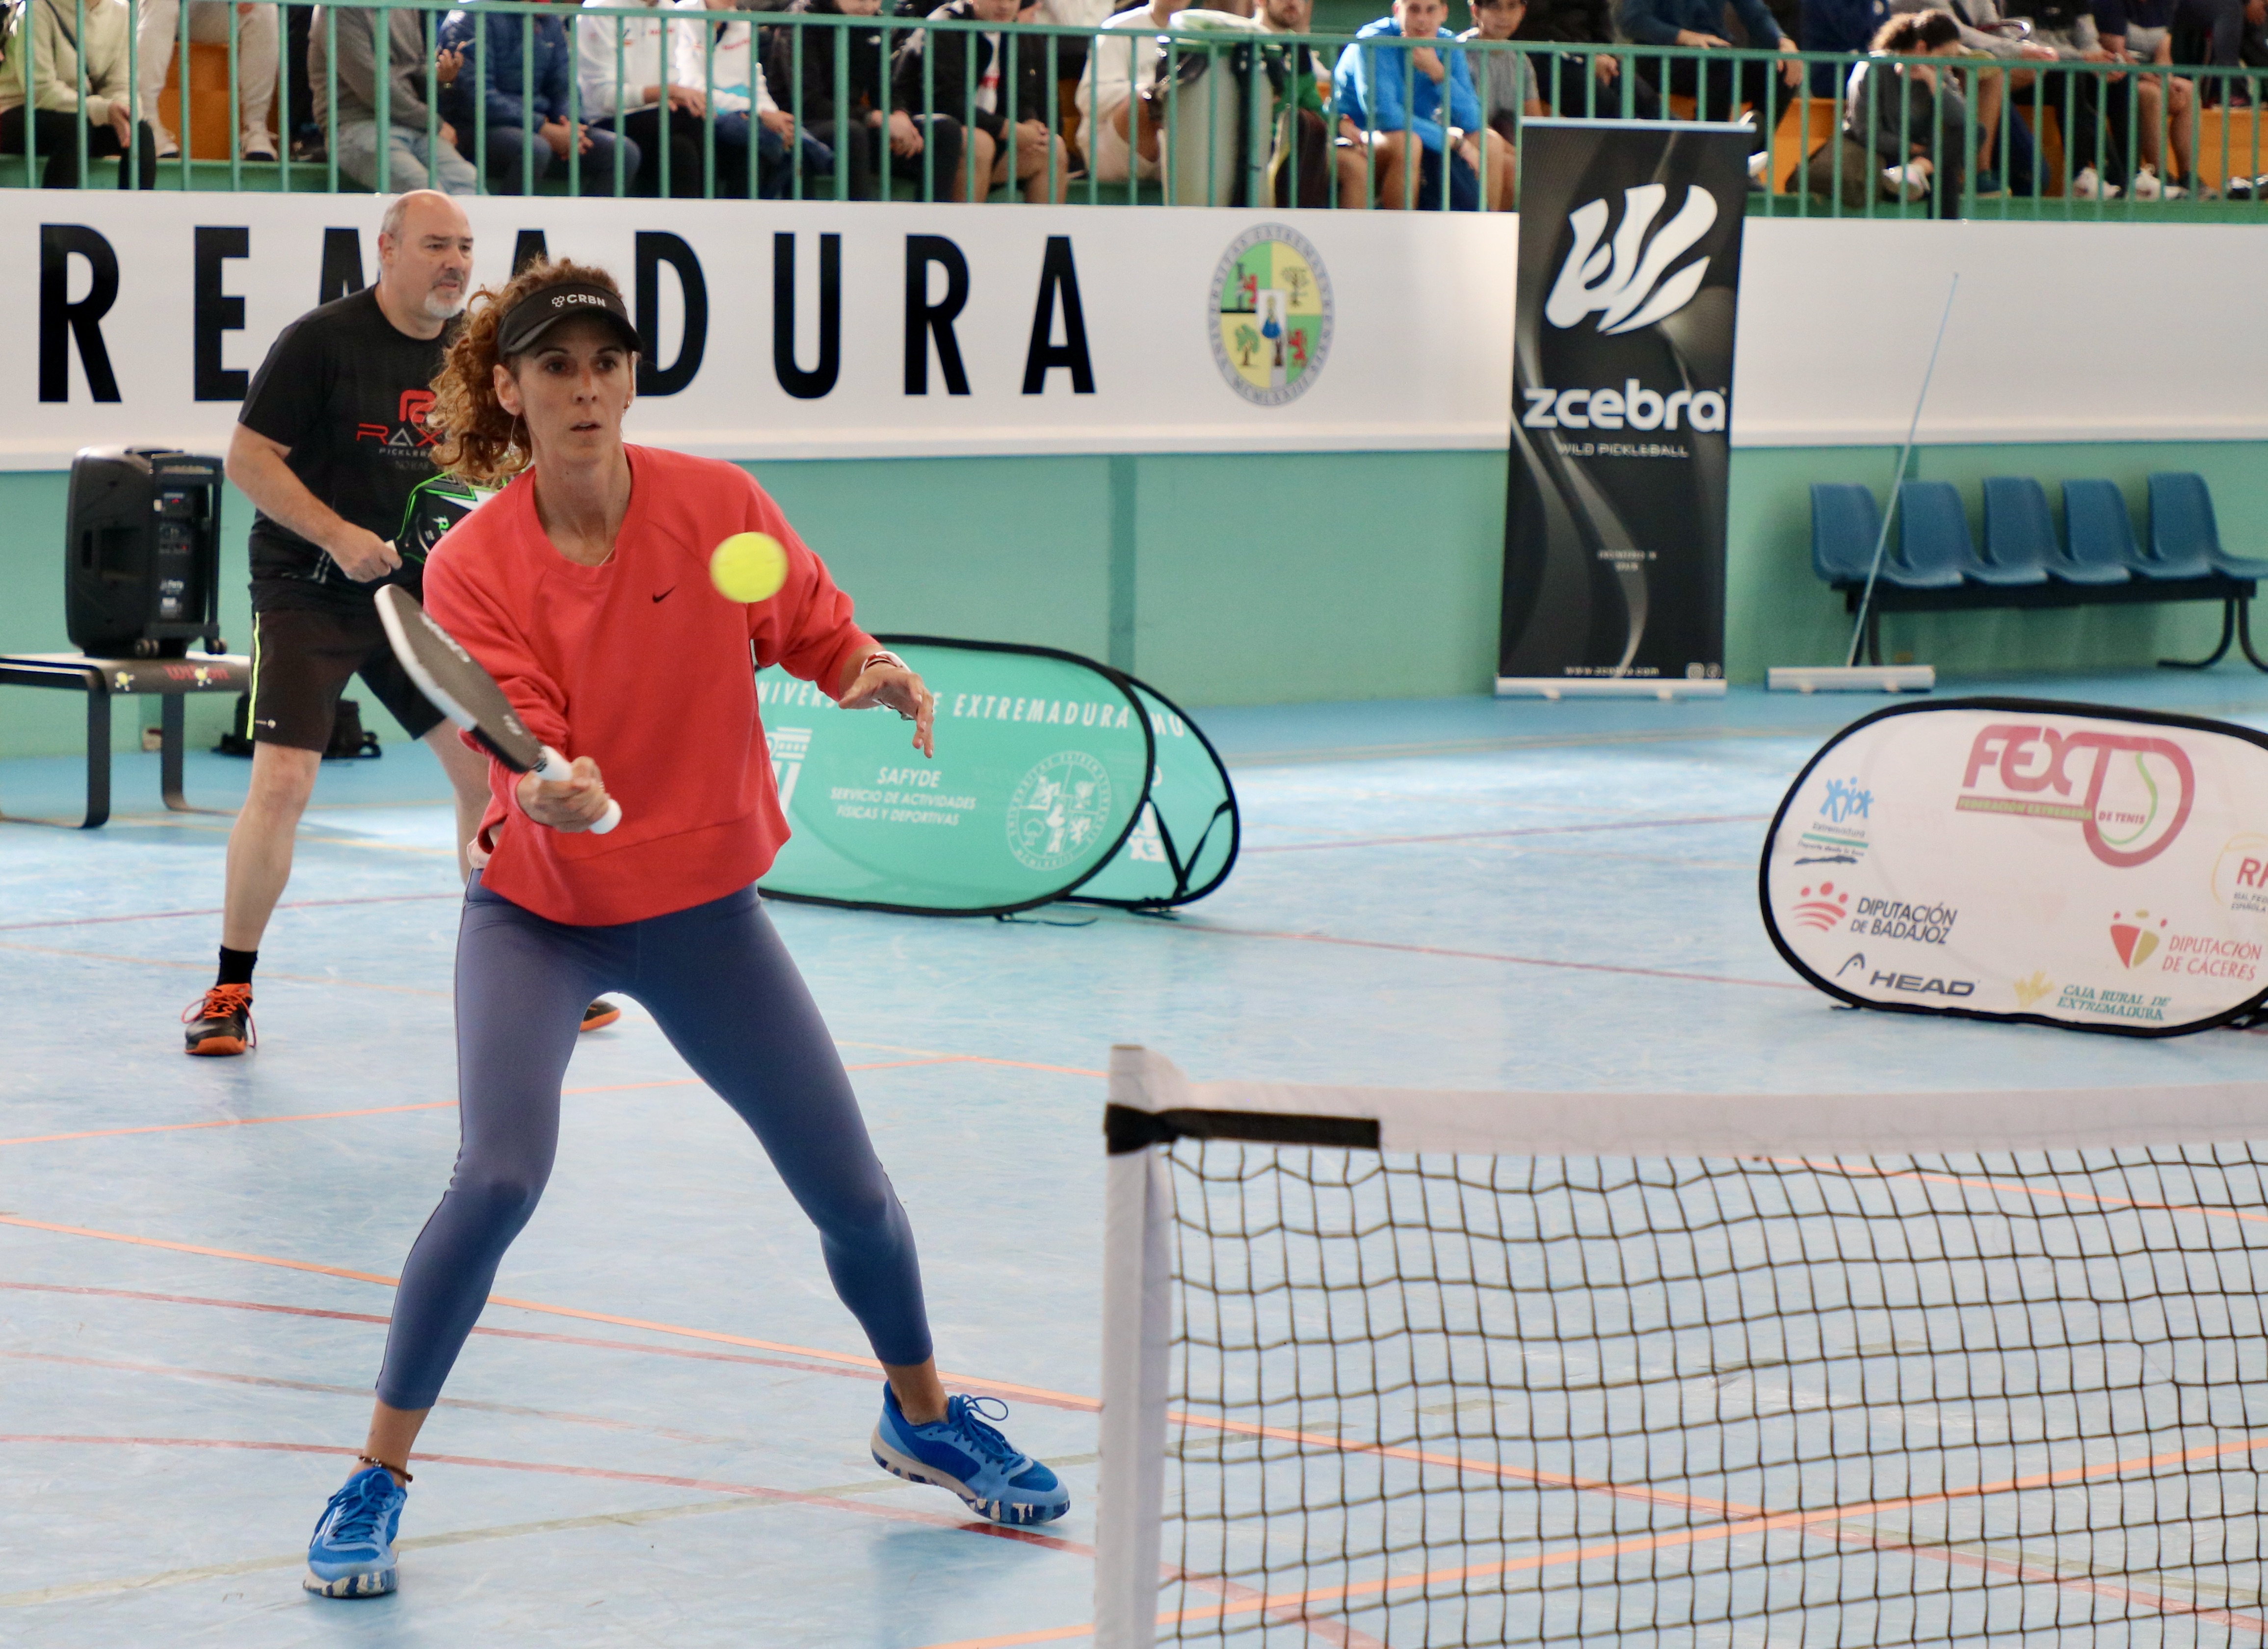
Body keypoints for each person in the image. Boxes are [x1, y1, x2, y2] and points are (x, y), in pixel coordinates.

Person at [298, 259, 1070, 1600]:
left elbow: (807, 621)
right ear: (509, 390)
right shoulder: (476, 563)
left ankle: (922, 1416)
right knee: (497, 1179)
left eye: (605, 361)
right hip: (543, 917)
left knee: (853, 1192)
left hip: (706, 914)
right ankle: (377, 1471)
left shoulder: (719, 507)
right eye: (555, 366)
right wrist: (550, 785)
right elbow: (521, 727)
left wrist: (867, 669)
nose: (585, 387)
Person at [181, 193, 623, 1058]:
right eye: (434, 245)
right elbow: (247, 460)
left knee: (487, 778)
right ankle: (230, 988)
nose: (455, 262)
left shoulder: (476, 356)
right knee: (284, 784)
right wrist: (338, 536)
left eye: (465, 247)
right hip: (309, 588)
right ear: (385, 250)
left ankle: (523, 972)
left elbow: (504, 463)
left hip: (421, 598)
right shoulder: (320, 342)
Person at [438, 0, 641, 195]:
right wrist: (541, 127)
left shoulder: (549, 21)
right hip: (478, 126)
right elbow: (477, 96)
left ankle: (588, 221)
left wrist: (569, 124)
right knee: (533, 149)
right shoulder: (469, 18)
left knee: (622, 153)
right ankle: (511, 220)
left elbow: (564, 87)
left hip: (541, 124)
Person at [891, 0, 1070, 201]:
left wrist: (1029, 122)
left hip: (988, 132)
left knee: (1052, 148)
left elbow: (1023, 95)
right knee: (978, 144)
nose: (1004, 6)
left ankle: (1042, 223)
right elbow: (948, 103)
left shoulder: (1016, 33)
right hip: (928, 137)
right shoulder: (945, 26)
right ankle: (965, 222)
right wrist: (1009, 130)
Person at [1802, 7, 1971, 209]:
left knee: (1971, 135)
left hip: (1921, 162)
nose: (1949, 66)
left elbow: (1965, 122)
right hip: (1879, 159)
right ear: (1921, 48)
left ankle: (1918, 172)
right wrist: (1915, 149)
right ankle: (1916, 172)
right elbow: (1866, 132)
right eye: (1946, 56)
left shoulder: (1939, 74)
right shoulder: (1873, 68)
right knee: (1942, 161)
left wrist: (1932, 81)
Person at [1333, 0, 1487, 208]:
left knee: (1488, 141)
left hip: (1419, 135)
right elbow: (1384, 116)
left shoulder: (1448, 43)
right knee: (1408, 143)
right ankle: (1400, 228)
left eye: (1431, 10)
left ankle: (1488, 226)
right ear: (1397, 10)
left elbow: (1473, 120)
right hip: (1355, 136)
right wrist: (1451, 141)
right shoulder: (1373, 40)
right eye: (1414, 9)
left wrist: (1437, 72)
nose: (1422, 19)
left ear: (1444, 13)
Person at [310, 6, 478, 193]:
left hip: (412, 126)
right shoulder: (339, 9)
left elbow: (414, 68)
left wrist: (440, 78)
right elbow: (372, 85)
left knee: (473, 191)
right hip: (357, 126)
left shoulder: (406, 6)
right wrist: (432, 122)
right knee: (428, 197)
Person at [0, 0, 160, 188]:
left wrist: (123, 110)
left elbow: (121, 84)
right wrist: (104, 110)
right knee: (75, 129)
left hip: (83, 114)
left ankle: (135, 207)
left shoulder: (121, 13)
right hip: (17, 112)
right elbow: (40, 90)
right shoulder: (35, 9)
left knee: (140, 132)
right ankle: (58, 207)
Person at [683, 0, 825, 197]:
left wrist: (773, 115)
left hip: (744, 113)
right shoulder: (682, 17)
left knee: (785, 143)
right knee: (766, 142)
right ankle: (821, 156)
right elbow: (693, 87)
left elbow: (755, 81)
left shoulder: (742, 22)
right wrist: (758, 112)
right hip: (703, 113)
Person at [1616, 0, 1801, 147]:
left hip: (1716, 55)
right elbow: (1633, 20)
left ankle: (1749, 155)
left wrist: (1782, 41)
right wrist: (1684, 37)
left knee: (1784, 71)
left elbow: (1756, 14)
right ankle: (1706, 154)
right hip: (1660, 58)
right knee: (1721, 63)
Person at [576, 0, 709, 194]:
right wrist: (667, 92)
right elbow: (601, 97)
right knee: (692, 124)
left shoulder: (668, 9)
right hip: (605, 120)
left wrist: (678, 96)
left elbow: (671, 76)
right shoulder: (600, 10)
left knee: (682, 147)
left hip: (657, 119)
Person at [768, 0, 893, 199]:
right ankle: (859, 216)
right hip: (798, 120)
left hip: (849, 117)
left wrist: (897, 115)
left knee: (936, 131)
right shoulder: (802, 20)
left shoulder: (876, 24)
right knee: (851, 132)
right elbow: (807, 102)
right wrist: (869, 116)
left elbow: (883, 90)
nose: (869, 4)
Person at [135, 0, 280, 159]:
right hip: (146, 12)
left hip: (202, 11)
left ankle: (255, 127)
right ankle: (145, 122)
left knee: (265, 7)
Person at [2096, 0, 2199, 193]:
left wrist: (2167, 81)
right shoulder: (2111, 4)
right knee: (2151, 94)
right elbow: (2117, 53)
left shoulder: (2165, 5)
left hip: (2150, 76)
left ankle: (2188, 176)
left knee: (2188, 89)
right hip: (2118, 77)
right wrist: (2157, 82)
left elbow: (2163, 52)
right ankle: (2159, 174)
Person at [1455, 0, 1543, 209]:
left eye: (1512, 7)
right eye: (1495, 7)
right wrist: (1520, 156)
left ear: (1522, 11)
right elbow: (1469, 119)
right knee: (1512, 168)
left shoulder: (1521, 60)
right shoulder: (1460, 53)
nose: (1504, 16)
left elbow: (1535, 121)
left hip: (1504, 142)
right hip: (1465, 138)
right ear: (1476, 11)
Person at [1079, 0, 1173, 187]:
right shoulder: (1118, 27)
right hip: (1110, 145)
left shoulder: (1199, 32)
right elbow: (1088, 98)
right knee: (1146, 102)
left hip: (1174, 146)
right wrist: (1149, 91)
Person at [1509, 0, 1662, 114]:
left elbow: (1602, 23)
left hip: (1590, 54)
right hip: (1540, 58)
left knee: (1635, 88)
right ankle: (1635, 140)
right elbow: (1534, 28)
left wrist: (1603, 55)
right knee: (1603, 100)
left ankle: (1674, 136)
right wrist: (1585, 57)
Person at [1256, 0, 1337, 203]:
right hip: (1251, 144)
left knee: (1355, 165)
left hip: (1295, 144)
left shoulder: (1298, 47)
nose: (1294, 2)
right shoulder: (1239, 40)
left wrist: (1340, 124)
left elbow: (1313, 107)